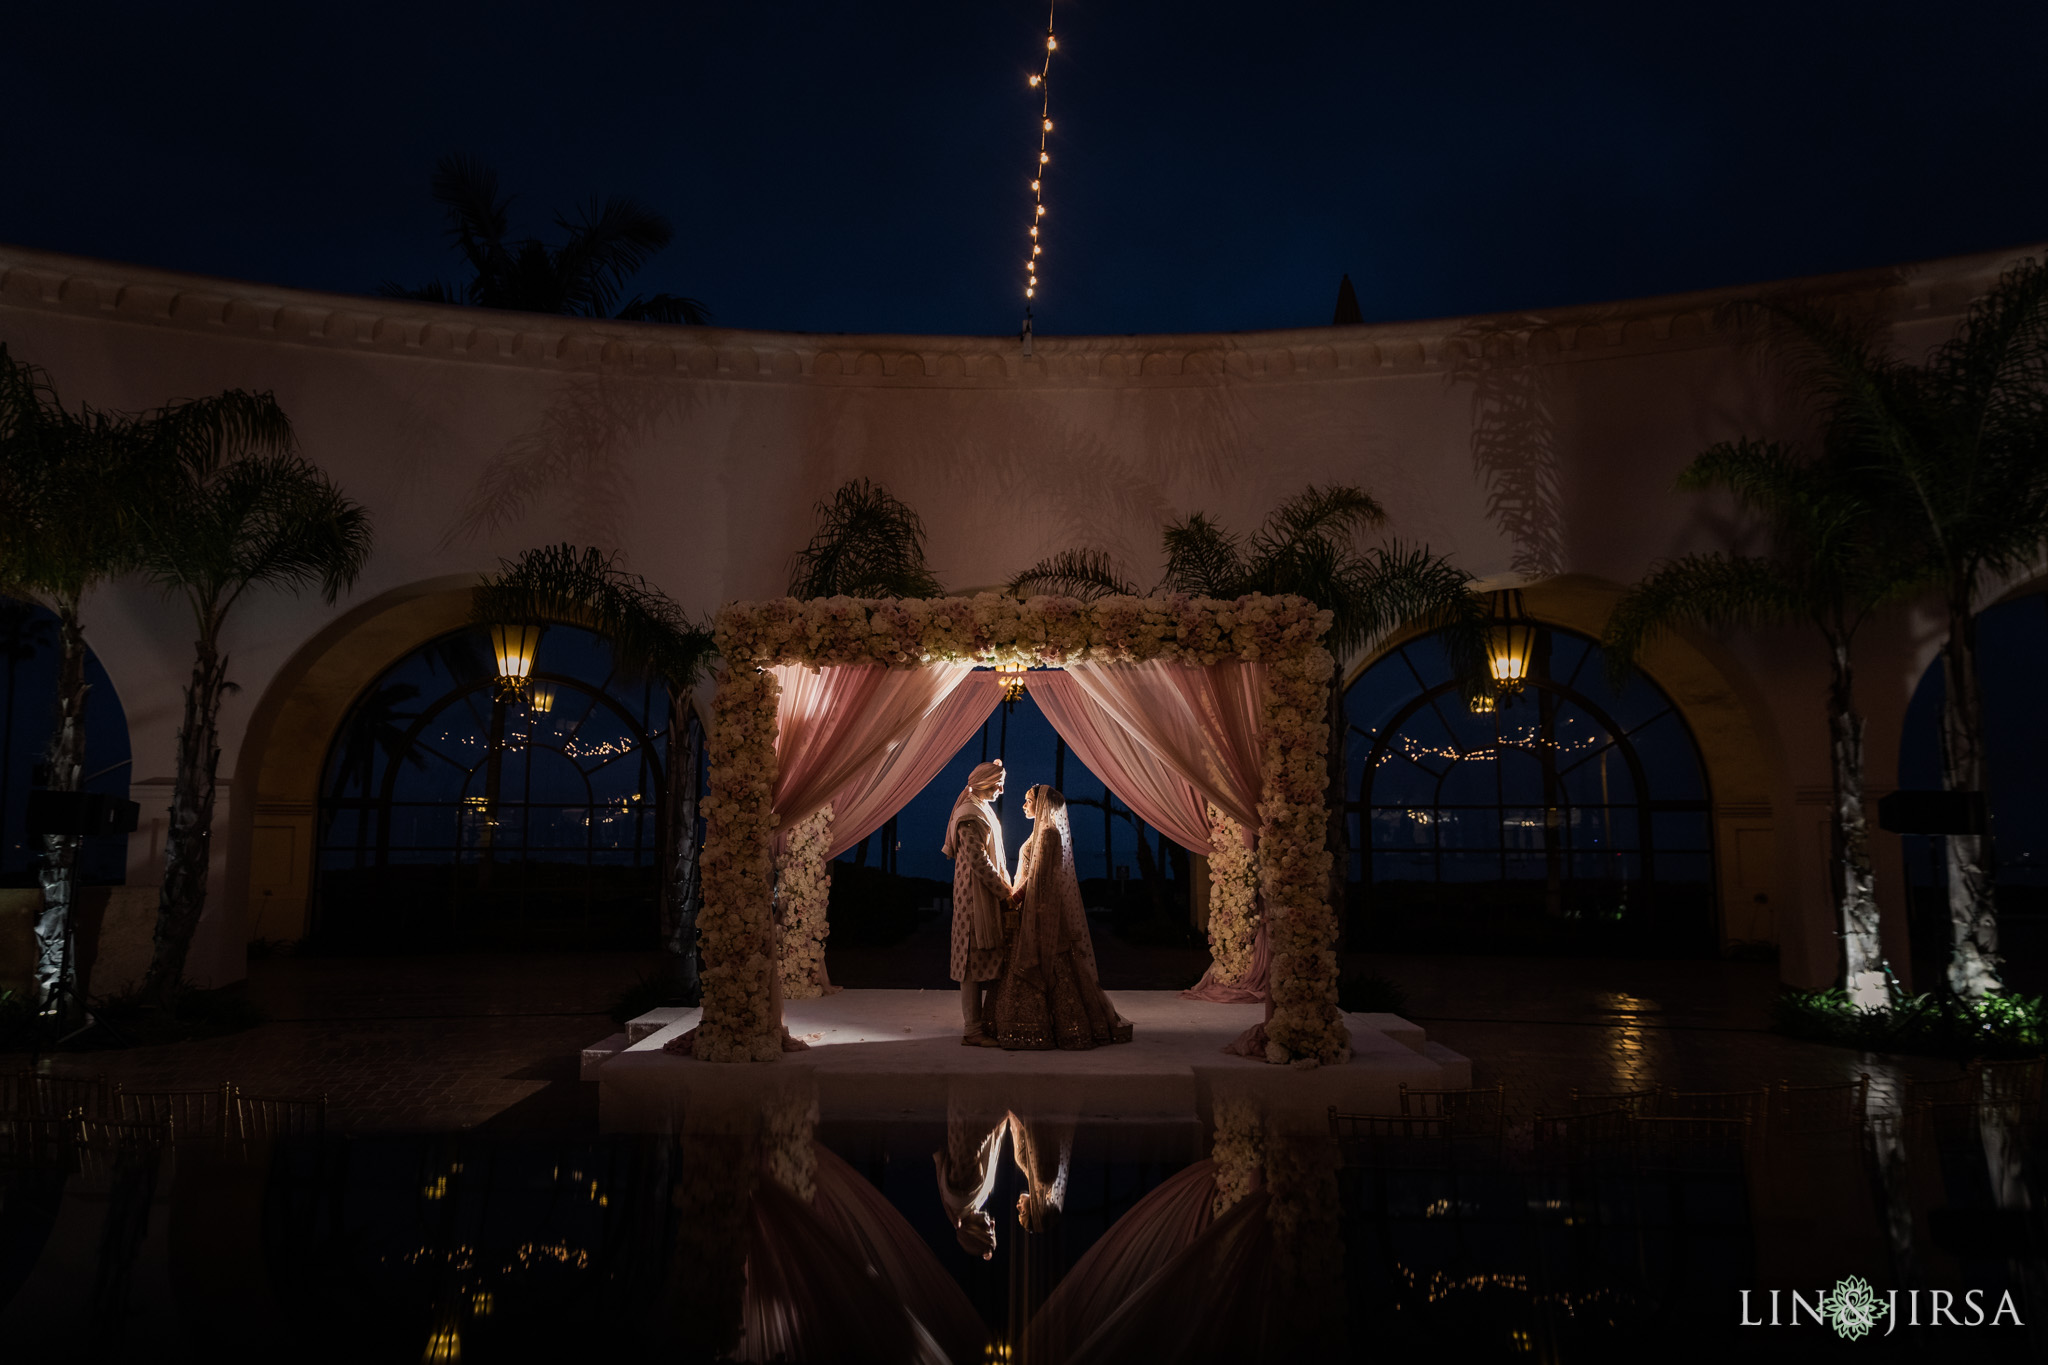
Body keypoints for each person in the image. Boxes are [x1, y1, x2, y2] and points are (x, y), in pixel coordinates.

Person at [985, 785, 1134, 1050]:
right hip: (1030, 908)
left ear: (1042, 805)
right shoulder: (1040, 833)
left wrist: (1014, 899)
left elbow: (1040, 877)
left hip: (1040, 911)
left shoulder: (1049, 834)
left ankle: (1058, 1027)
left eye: (1028, 800)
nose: (1023, 805)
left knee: (1049, 964)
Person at [941, 760, 1012, 1042]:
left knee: (978, 960)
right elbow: (978, 861)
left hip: (978, 894)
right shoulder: (970, 813)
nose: (1001, 789)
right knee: (970, 964)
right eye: (998, 783)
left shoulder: (980, 808)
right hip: (973, 898)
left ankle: (982, 1024)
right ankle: (973, 1030)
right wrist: (1005, 892)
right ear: (984, 782)